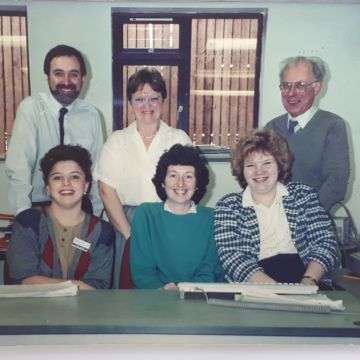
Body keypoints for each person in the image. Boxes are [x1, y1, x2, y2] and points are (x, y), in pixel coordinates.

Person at [94, 68, 191, 287]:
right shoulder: (116, 141)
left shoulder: (178, 138)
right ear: (130, 102)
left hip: (169, 221)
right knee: (129, 288)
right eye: (139, 99)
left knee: (168, 287)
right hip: (126, 222)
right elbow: (106, 191)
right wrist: (131, 237)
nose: (147, 106)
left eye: (154, 98)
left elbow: (189, 185)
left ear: (163, 101)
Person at [214, 129, 339, 285]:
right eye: (251, 165)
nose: (259, 171)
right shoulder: (229, 206)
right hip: (255, 283)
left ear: (279, 165)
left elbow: (325, 242)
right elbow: (231, 256)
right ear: (241, 170)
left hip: (306, 277)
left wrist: (308, 281)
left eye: (267, 162)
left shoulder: (303, 195)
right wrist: (274, 289)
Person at [5, 44, 103, 216]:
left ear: (83, 78)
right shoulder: (31, 109)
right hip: (40, 207)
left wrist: (96, 216)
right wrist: (24, 215)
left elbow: (97, 169)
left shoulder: (91, 114)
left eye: (73, 74)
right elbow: (19, 167)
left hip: (80, 208)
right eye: (58, 74)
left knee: (82, 244)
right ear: (47, 77)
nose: (66, 81)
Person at [6, 145, 114, 289]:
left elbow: (99, 285)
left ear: (86, 186)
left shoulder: (102, 230)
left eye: (74, 177)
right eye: (57, 178)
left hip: (85, 309)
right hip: (33, 308)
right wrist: (76, 286)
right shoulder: (28, 221)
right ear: (47, 187)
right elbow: (23, 279)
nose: (66, 183)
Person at [130, 144, 222, 289]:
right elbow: (142, 273)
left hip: (198, 297)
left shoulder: (212, 218)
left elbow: (208, 271)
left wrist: (184, 290)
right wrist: (163, 290)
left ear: (198, 184)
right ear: (162, 182)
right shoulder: (145, 215)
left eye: (188, 176)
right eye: (173, 175)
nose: (180, 183)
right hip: (152, 299)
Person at [265, 56, 349, 212]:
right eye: (286, 86)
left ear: (316, 88)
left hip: (312, 224)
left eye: (300, 85)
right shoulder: (271, 127)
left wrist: (303, 218)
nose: (291, 93)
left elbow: (336, 185)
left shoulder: (332, 126)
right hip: (272, 219)